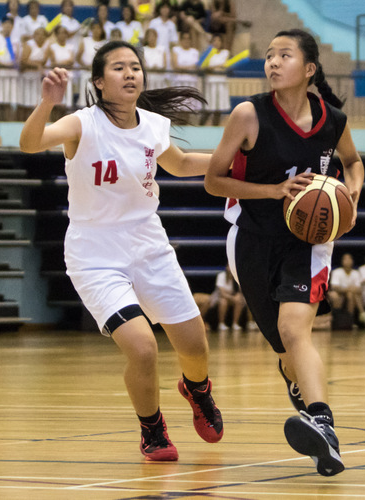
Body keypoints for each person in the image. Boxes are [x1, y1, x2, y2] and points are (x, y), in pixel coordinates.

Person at [19, 40, 222, 461]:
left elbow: (181, 164)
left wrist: (235, 159)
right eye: (118, 67)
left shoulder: (152, 124)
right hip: (95, 255)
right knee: (143, 347)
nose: (130, 73)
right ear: (99, 81)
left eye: (135, 66)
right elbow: (30, 143)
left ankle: (197, 389)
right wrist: (47, 103)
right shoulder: (81, 123)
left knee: (194, 346)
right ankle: (153, 430)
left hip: (149, 246)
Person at [204, 28, 364, 476]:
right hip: (252, 236)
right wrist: (273, 190)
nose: (272, 62)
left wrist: (351, 193)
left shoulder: (332, 120)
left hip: (308, 241)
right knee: (282, 346)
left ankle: (324, 425)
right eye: (269, 55)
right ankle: (299, 389)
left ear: (308, 69)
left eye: (284, 55)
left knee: (296, 332)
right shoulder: (248, 115)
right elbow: (214, 181)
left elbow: (353, 162)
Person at [195, 265, 252, 331]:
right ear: (226, 268)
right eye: (229, 267)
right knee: (223, 301)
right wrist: (233, 298)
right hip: (219, 298)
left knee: (239, 300)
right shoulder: (221, 276)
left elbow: (240, 291)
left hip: (231, 298)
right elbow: (222, 293)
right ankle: (221, 324)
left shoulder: (236, 277)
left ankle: (235, 324)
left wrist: (236, 297)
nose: (230, 269)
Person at [328, 252, 365, 328]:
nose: (347, 261)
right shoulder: (337, 272)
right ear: (342, 261)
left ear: (352, 261)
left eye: (349, 259)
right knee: (338, 295)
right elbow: (334, 287)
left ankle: (350, 320)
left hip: (351, 296)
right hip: (339, 294)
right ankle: (362, 313)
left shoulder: (355, 273)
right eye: (345, 259)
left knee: (351, 295)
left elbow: (359, 289)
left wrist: (348, 290)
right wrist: (348, 289)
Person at [0, 16, 20, 121]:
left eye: (10, 24)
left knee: (10, 101)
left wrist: (14, 63)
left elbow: (17, 57)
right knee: (0, 101)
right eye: (5, 24)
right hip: (0, 75)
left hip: (12, 76)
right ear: (2, 25)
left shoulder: (15, 41)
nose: (8, 27)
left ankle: (8, 124)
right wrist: (6, 65)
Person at [199, 32, 229, 126]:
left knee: (218, 108)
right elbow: (202, 67)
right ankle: (200, 127)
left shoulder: (225, 53)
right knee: (208, 107)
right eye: (214, 40)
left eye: (219, 40)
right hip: (210, 83)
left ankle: (215, 129)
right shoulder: (208, 54)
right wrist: (213, 67)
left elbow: (225, 65)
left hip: (221, 83)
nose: (216, 42)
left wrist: (212, 67)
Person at [18, 26, 48, 120]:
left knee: (35, 103)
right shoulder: (29, 45)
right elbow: (23, 60)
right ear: (34, 36)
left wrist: (38, 65)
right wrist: (36, 65)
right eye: (38, 35)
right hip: (27, 77)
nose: (41, 37)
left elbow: (43, 62)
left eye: (43, 35)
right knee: (25, 102)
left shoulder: (45, 47)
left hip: (37, 78)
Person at [75, 20, 105, 108]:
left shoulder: (104, 43)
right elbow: (78, 57)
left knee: (96, 96)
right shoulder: (85, 41)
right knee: (85, 95)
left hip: (99, 74)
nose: (96, 30)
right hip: (86, 72)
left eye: (98, 28)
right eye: (94, 28)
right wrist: (85, 65)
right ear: (91, 30)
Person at [147, 2, 177, 68]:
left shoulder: (172, 25)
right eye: (163, 7)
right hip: (154, 52)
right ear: (159, 9)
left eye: (167, 8)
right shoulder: (154, 22)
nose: (165, 10)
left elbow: (173, 42)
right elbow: (148, 38)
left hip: (167, 54)